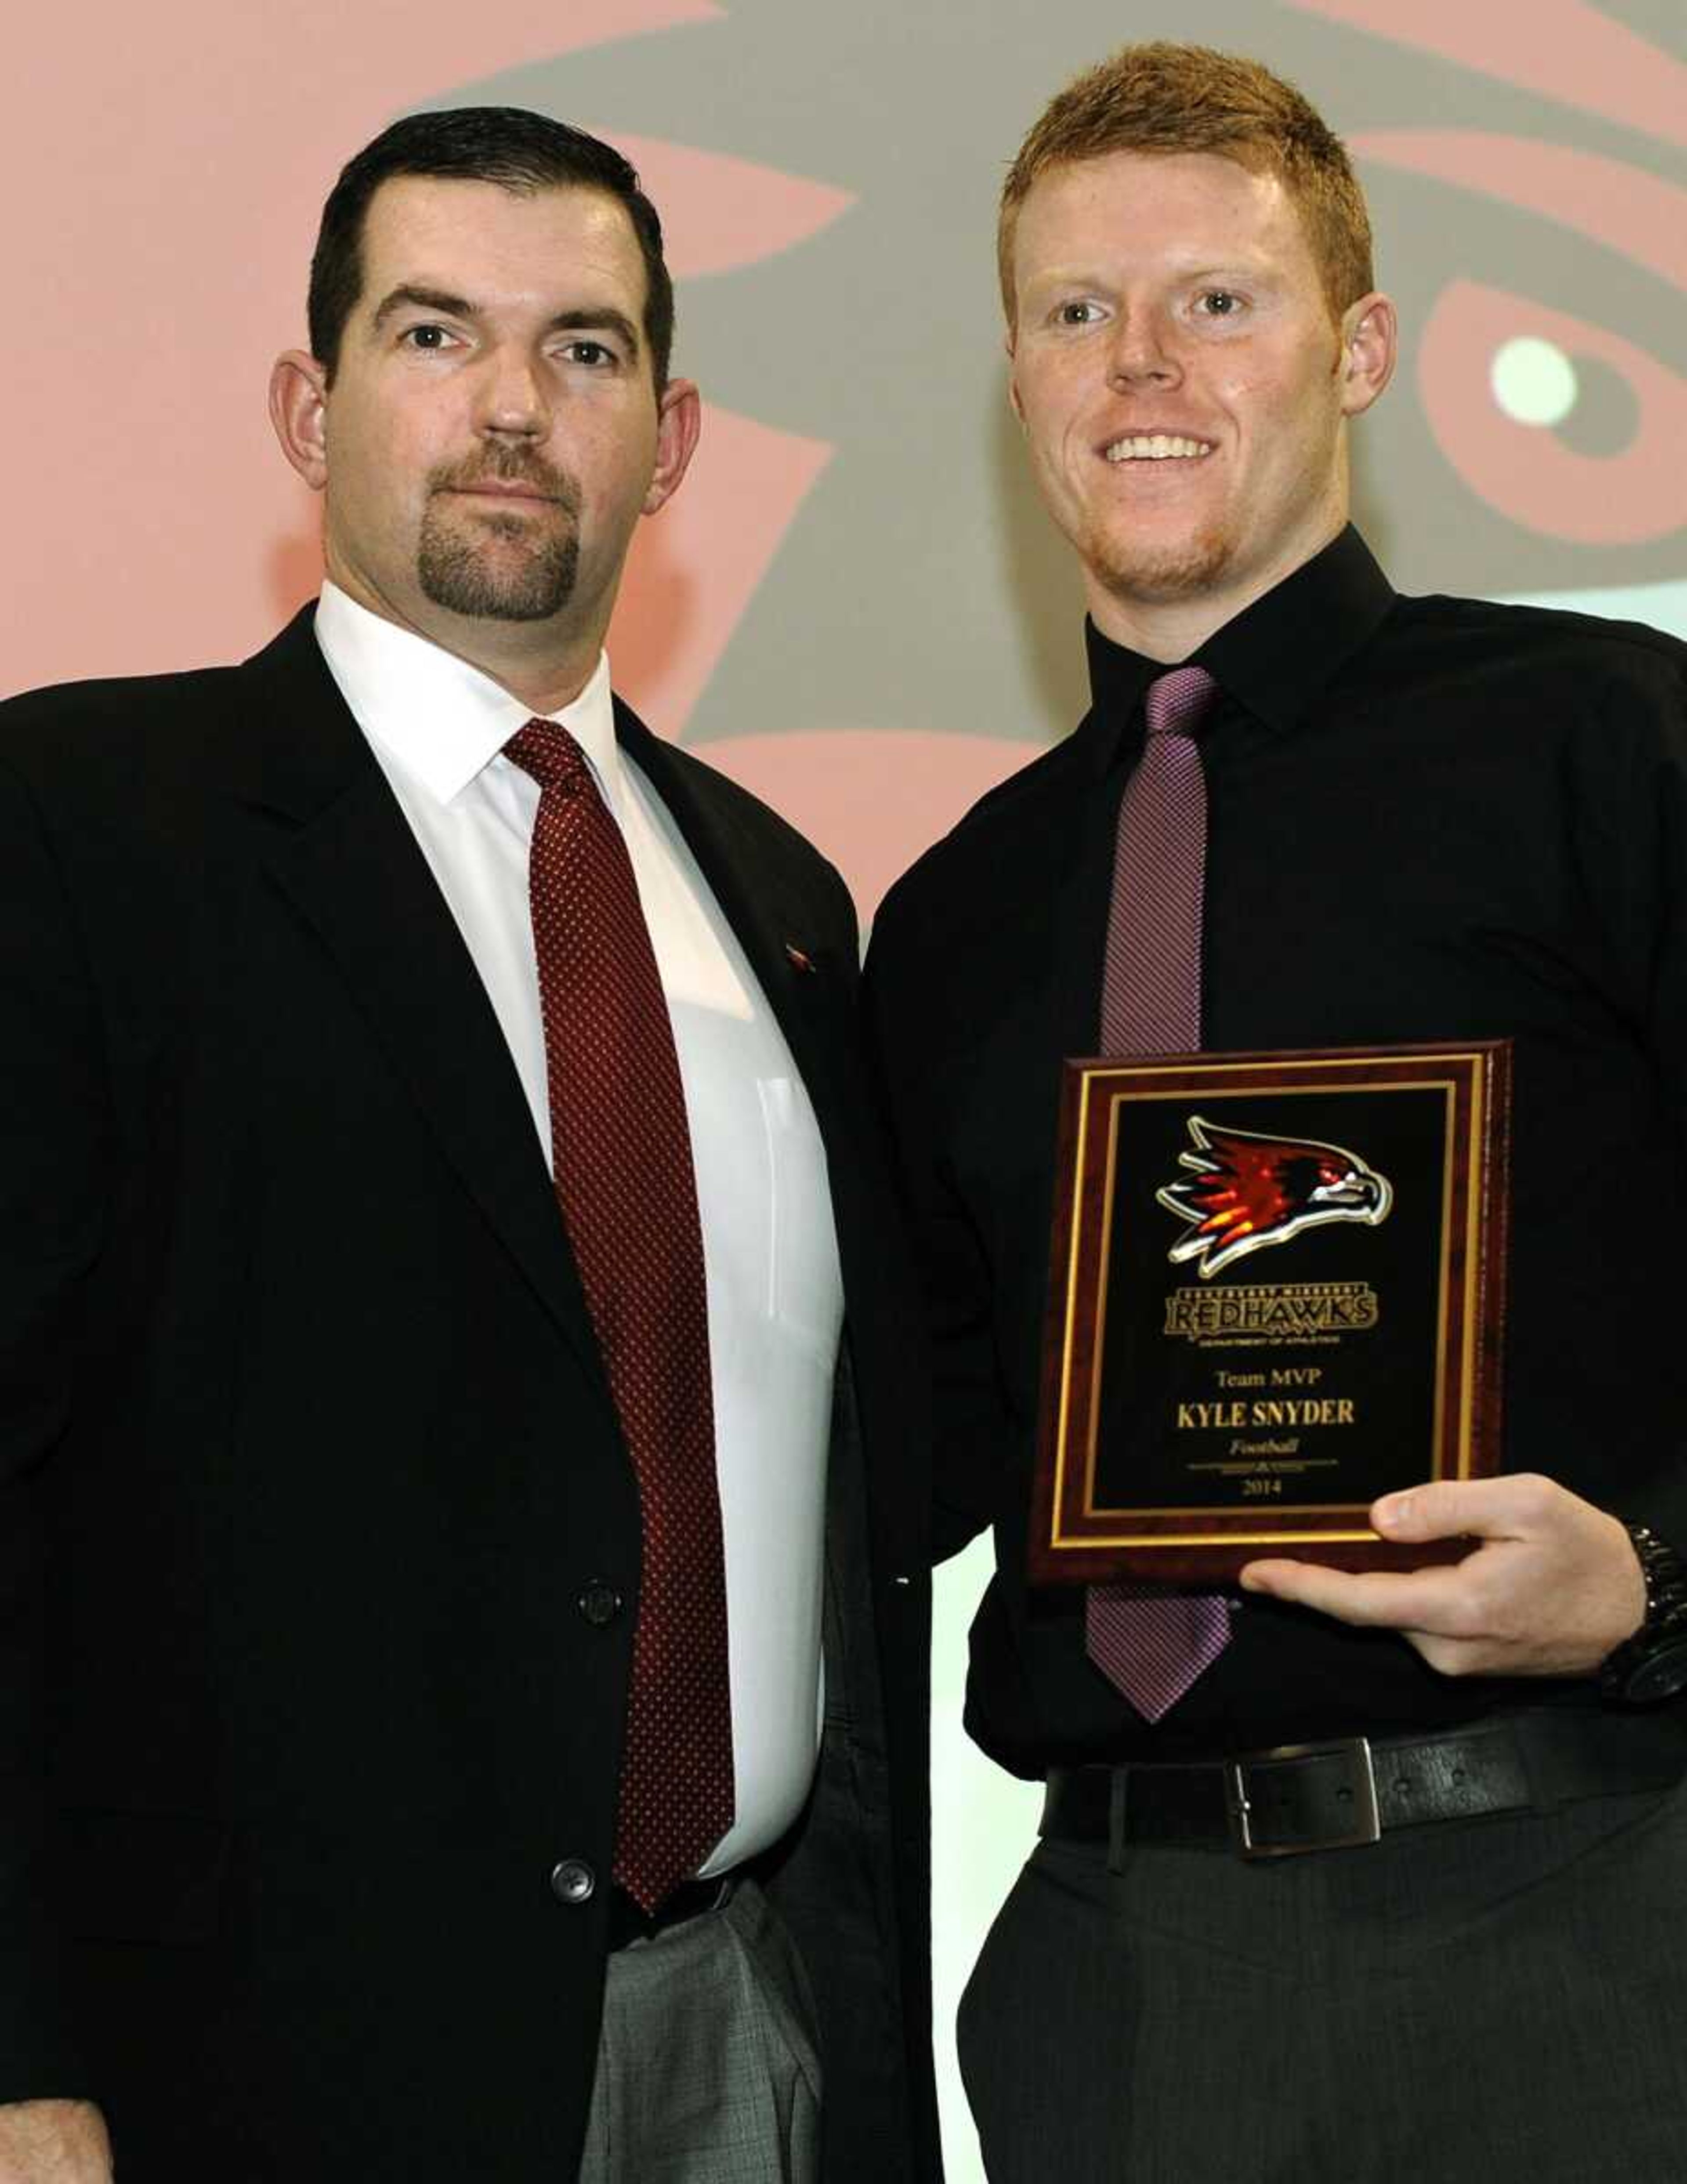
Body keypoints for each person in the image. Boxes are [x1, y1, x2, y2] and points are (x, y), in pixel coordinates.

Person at [0, 106, 936, 2184]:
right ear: (307, 404)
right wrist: (16, 2058)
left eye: (585, 352)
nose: (515, 409)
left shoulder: (781, 897)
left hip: (752, 2032)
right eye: (437, 336)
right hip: (249, 2075)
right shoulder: (79, 828)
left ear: (672, 438)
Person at [865, 40, 1687, 2184]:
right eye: (1075, 311)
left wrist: (1664, 1582)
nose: (1141, 362)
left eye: (1216, 300)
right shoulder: (952, 913)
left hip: (1581, 1914)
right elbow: (908, 1454)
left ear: (1361, 348)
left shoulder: (1612, 743)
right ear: (1018, 375)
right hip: (1114, 1973)